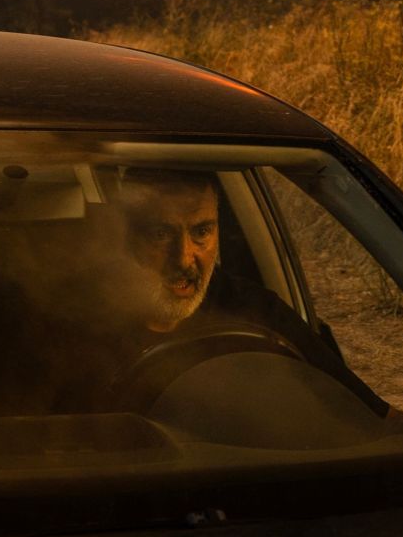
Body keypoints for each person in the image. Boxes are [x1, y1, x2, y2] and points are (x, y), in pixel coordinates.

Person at [108, 167, 388, 414]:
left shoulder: (260, 313)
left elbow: (367, 415)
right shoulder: (81, 319)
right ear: (127, 236)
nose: (183, 258)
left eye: (202, 232)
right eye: (161, 234)